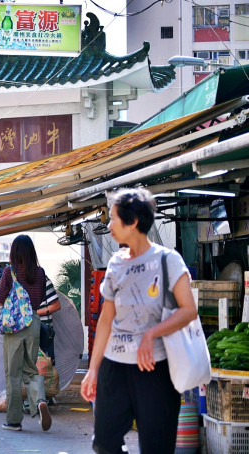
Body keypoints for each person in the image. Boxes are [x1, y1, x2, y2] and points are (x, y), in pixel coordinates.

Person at [80, 187, 197, 454]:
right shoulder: (115, 264)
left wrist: (152, 333)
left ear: (132, 222)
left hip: (155, 369)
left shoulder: (168, 261)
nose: (108, 226)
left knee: (156, 446)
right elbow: (106, 320)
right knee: (105, 443)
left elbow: (189, 310)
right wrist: (94, 369)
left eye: (113, 219)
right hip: (115, 368)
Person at [0, 234, 54, 432]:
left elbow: (0, 300)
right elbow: (40, 300)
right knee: (30, 369)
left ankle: (14, 421)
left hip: (14, 325)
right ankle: (40, 402)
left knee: (13, 374)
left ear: (14, 252)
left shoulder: (9, 272)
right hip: (34, 324)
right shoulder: (40, 273)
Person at [37, 277, 60, 363]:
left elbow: (56, 305)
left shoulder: (42, 279)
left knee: (43, 368)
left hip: (42, 332)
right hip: (22, 331)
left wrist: (34, 313)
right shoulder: (13, 278)